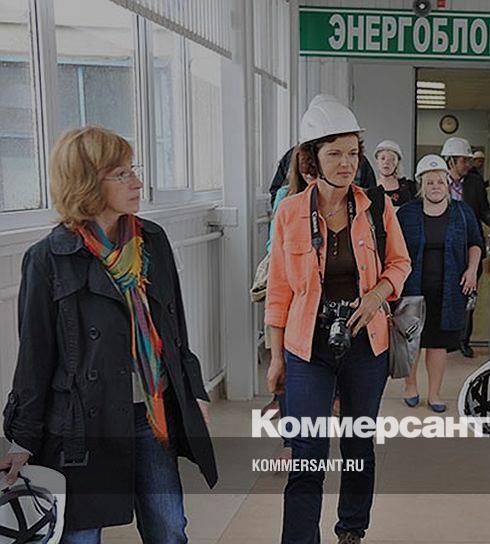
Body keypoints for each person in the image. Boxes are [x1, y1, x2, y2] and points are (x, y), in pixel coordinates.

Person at [0, 126, 217, 542]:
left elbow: (174, 329)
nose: (136, 182)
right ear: (86, 182)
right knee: (80, 536)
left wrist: (193, 389)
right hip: (84, 425)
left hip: (150, 411)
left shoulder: (151, 240)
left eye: (132, 170)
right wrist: (22, 439)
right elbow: (34, 359)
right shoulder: (48, 259)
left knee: (170, 528)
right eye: (121, 174)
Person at [265, 94, 411, 544]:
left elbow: (400, 263)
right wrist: (276, 357)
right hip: (307, 345)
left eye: (352, 153)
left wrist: (376, 296)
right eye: (335, 154)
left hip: (366, 344)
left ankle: (351, 529)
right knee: (307, 449)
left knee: (357, 443)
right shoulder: (289, 211)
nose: (346, 164)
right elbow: (278, 289)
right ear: (313, 159)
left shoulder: (377, 207)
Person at [396, 154, 484, 412]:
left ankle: (434, 394)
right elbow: (393, 248)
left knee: (437, 344)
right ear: (421, 185)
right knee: (411, 341)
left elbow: (475, 243)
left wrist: (471, 270)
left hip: (447, 291)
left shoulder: (462, 212)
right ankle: (411, 387)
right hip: (412, 289)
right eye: (430, 182)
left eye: (440, 182)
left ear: (447, 184)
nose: (435, 186)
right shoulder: (407, 213)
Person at [441, 136, 490, 357]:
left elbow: (484, 211)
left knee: (468, 296)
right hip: (444, 249)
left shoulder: (475, 183)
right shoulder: (437, 181)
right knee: (445, 294)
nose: (468, 164)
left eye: (469, 160)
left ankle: (463, 340)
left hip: (470, 248)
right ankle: (446, 339)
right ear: (451, 160)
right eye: (464, 160)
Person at [373, 139, 417, 207]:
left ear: (397, 162)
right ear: (377, 161)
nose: (386, 162)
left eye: (392, 159)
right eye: (382, 158)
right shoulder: (371, 187)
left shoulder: (409, 186)